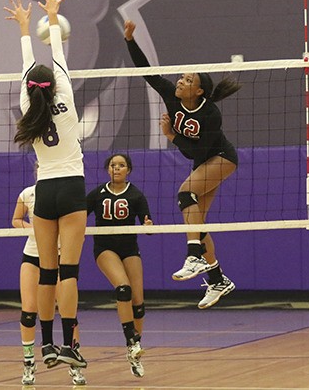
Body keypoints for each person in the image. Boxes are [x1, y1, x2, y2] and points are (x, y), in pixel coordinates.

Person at [124, 20, 241, 309]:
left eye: (188, 80)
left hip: (222, 158)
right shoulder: (171, 96)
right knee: (197, 221)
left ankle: (194, 256)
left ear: (198, 91)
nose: (180, 81)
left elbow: (195, 152)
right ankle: (217, 279)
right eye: (182, 77)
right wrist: (130, 40)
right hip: (203, 161)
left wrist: (170, 136)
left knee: (184, 194)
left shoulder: (210, 114)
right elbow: (147, 72)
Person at [4, 0, 87, 368]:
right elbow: (58, 53)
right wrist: (50, 16)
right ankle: (70, 344)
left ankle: (48, 345)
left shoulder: (27, 108)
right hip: (71, 188)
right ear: (54, 84)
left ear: (30, 89)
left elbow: (28, 67)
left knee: (47, 271)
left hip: (44, 191)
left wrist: (23, 27)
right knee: (68, 270)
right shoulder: (66, 96)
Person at [12, 163, 86, 386]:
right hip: (33, 256)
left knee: (67, 311)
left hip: (62, 258)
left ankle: (73, 363)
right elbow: (16, 219)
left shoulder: (68, 192)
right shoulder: (27, 193)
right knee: (28, 311)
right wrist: (34, 231)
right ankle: (28, 364)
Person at [86, 153, 152, 378]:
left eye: (121, 165)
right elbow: (77, 216)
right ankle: (131, 341)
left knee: (138, 302)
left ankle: (135, 352)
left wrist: (147, 224)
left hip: (129, 248)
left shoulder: (136, 195)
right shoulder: (97, 194)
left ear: (128, 170)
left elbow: (147, 222)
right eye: (113, 165)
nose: (116, 169)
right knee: (123, 289)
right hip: (105, 248)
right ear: (108, 170)